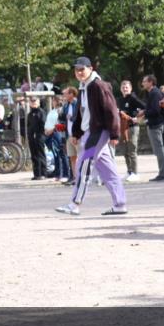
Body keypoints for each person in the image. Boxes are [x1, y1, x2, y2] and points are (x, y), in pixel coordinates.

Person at [56, 57, 127, 216]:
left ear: (90, 68)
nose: (79, 72)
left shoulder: (98, 85)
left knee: (83, 164)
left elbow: (111, 110)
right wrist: (76, 132)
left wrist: (115, 133)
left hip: (98, 132)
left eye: (82, 69)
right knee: (108, 170)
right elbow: (81, 112)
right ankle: (120, 204)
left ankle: (75, 203)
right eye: (77, 70)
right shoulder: (84, 86)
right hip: (90, 132)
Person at [137, 75, 164, 181]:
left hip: (156, 125)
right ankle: (161, 173)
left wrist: (144, 112)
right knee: (158, 149)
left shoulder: (154, 93)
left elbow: (155, 110)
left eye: (144, 81)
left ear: (151, 82)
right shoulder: (152, 93)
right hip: (154, 124)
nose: (143, 83)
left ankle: (162, 174)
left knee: (159, 149)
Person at [117, 81, 144, 182]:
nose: (125, 88)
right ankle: (129, 171)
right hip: (123, 128)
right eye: (123, 87)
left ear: (131, 88)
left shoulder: (133, 98)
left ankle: (135, 173)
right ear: (120, 89)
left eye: (127, 87)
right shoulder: (119, 100)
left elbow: (144, 107)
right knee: (125, 151)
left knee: (132, 150)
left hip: (132, 127)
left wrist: (137, 118)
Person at [44, 92, 70, 183]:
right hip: (49, 134)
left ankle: (65, 174)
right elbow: (48, 121)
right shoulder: (52, 111)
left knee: (62, 155)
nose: (53, 102)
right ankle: (58, 174)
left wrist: (51, 130)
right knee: (55, 156)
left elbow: (59, 123)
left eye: (54, 100)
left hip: (57, 134)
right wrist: (46, 130)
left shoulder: (61, 110)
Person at [60, 87, 80, 185]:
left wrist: (71, 118)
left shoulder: (78, 104)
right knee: (72, 157)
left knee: (81, 157)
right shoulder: (66, 105)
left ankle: (82, 178)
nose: (64, 96)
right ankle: (75, 178)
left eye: (65, 94)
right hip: (69, 135)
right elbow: (63, 117)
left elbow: (80, 118)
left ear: (72, 94)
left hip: (78, 135)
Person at [26, 96, 47, 180]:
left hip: (39, 136)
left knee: (40, 154)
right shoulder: (30, 114)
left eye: (35, 101)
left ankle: (43, 173)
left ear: (38, 102)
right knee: (34, 155)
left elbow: (43, 124)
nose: (33, 103)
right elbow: (28, 126)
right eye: (32, 101)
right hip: (32, 137)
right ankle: (36, 174)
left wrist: (40, 134)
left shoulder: (41, 112)